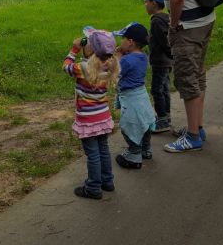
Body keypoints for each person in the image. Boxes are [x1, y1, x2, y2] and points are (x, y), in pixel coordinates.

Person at [148, 0, 215, 153]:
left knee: (187, 80)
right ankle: (197, 126)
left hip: (188, 26)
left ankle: (193, 136)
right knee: (197, 75)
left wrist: (174, 26)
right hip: (205, 19)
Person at [63, 27, 120, 199]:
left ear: (92, 50)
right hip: (103, 116)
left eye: (87, 42)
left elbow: (66, 66)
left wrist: (74, 49)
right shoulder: (110, 64)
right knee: (103, 149)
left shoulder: (83, 67)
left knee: (93, 154)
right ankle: (107, 181)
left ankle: (93, 187)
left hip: (88, 119)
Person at [113, 22, 156, 169]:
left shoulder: (126, 60)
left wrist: (117, 55)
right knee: (144, 124)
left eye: (123, 39)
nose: (120, 43)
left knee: (129, 127)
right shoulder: (143, 56)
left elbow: (115, 71)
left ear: (130, 42)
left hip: (131, 100)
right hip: (142, 98)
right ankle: (146, 150)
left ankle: (134, 155)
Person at [138, 0, 174, 133]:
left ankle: (162, 120)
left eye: (146, 1)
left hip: (161, 61)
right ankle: (166, 116)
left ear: (154, 3)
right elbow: (159, 39)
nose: (145, 4)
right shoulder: (165, 18)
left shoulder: (156, 21)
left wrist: (170, 54)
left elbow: (164, 42)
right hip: (167, 61)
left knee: (156, 89)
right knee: (164, 88)